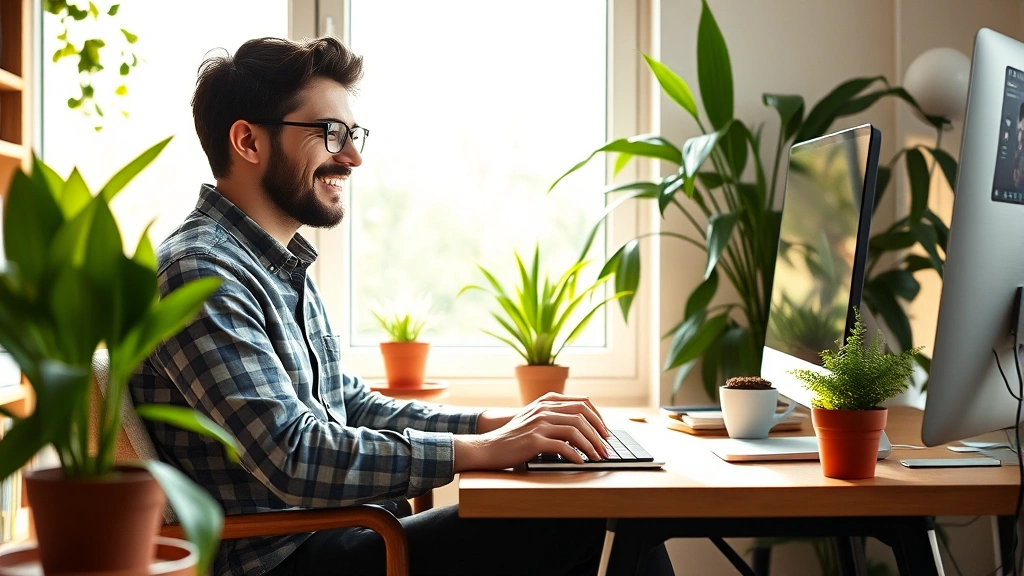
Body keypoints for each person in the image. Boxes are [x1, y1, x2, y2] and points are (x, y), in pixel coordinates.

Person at [129, 36, 675, 576]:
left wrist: (501, 423)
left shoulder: (278, 264)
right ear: (248, 141)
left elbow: (354, 408)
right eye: (330, 133)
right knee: (589, 516)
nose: (353, 156)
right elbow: (291, 455)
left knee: (605, 509)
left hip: (346, 533)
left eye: (354, 133)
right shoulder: (198, 272)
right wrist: (481, 448)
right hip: (289, 559)